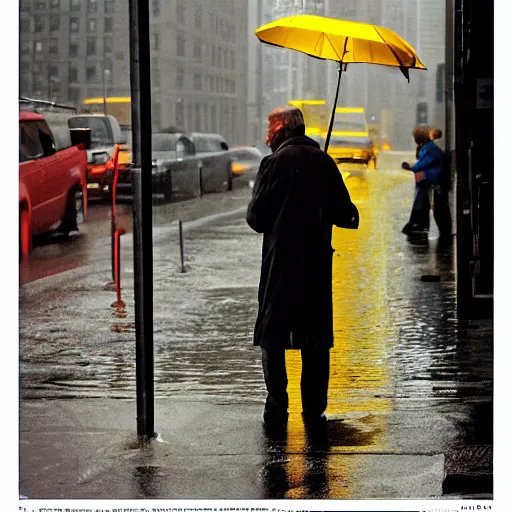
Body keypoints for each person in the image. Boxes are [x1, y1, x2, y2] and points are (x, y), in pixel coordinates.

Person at [246, 105, 359, 428]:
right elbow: (347, 215)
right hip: (315, 265)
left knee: (273, 333)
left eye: (270, 130)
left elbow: (256, 219)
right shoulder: (324, 162)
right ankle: (313, 408)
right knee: (315, 336)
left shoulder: (273, 163)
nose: (267, 137)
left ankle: (277, 405)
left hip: (280, 264)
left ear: (283, 130)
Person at [401, 127, 451, 239]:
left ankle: (418, 225)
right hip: (434, 180)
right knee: (428, 204)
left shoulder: (429, 148)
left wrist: (410, 167)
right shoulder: (428, 147)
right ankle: (419, 225)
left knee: (424, 202)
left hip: (434, 180)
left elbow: (423, 163)